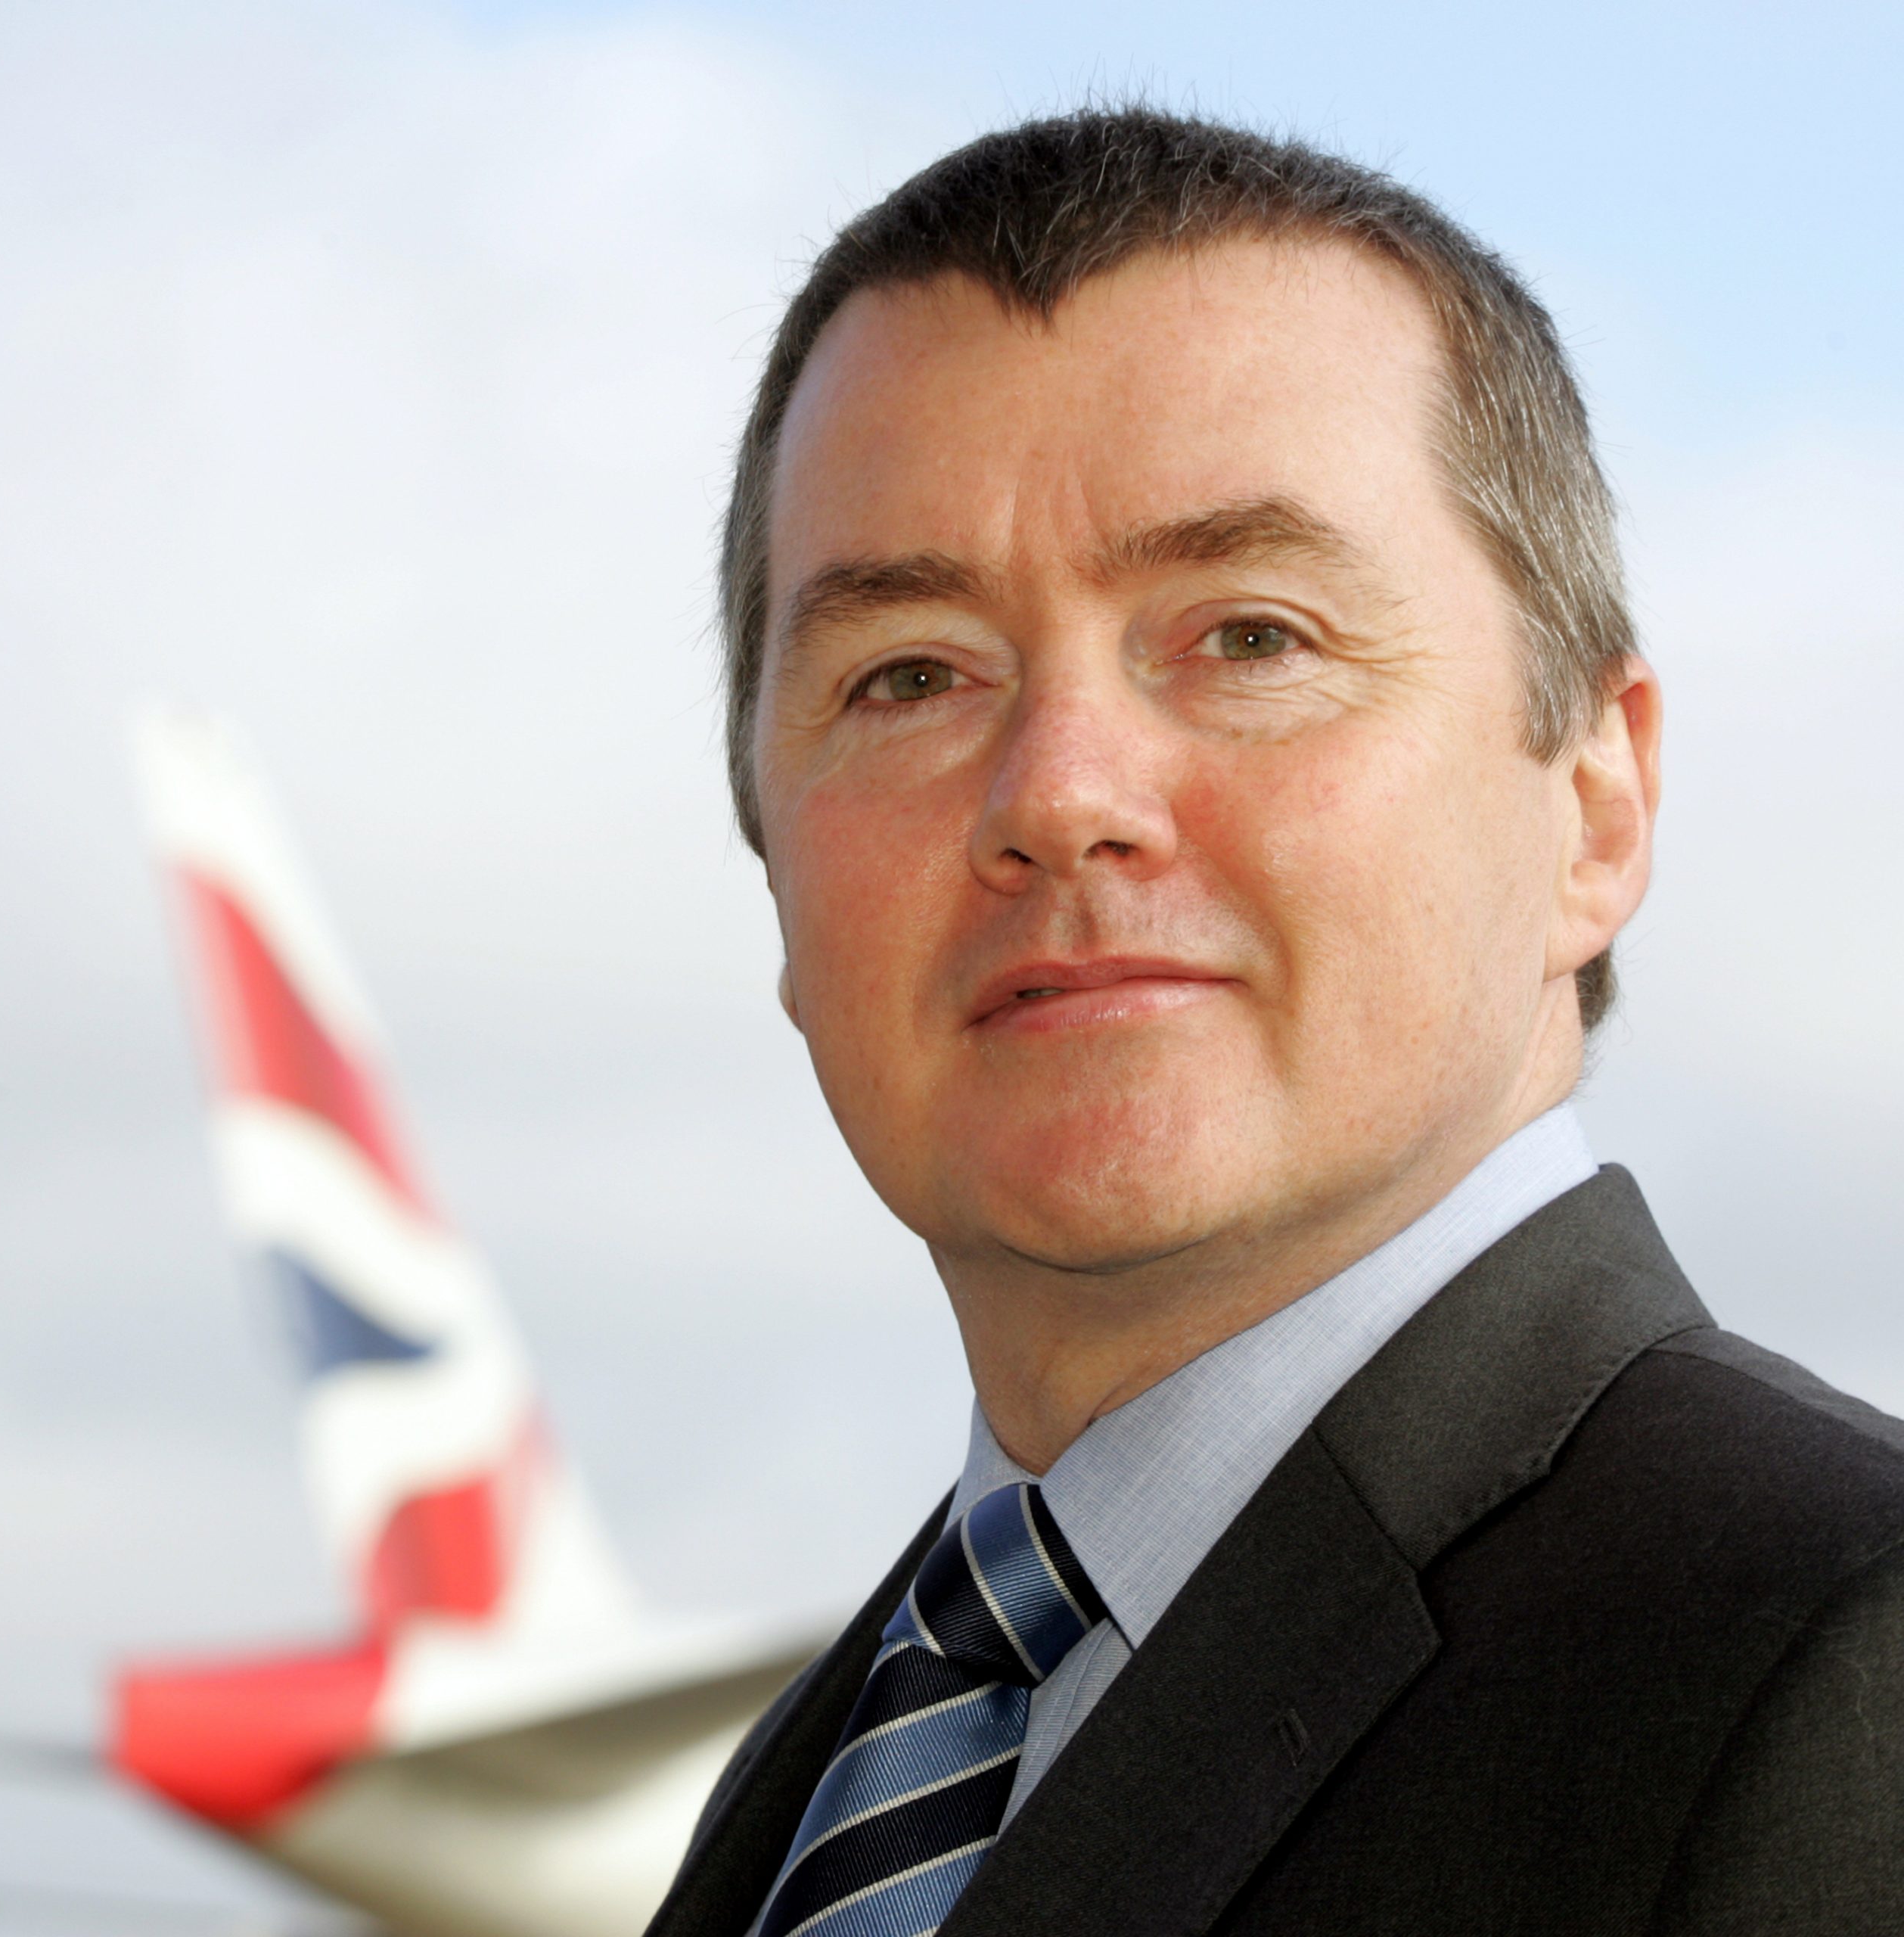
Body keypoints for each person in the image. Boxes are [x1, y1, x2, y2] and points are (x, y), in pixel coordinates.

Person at [645, 109, 1904, 1936]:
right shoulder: (822, 1776)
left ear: (1591, 806)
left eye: (1248, 636)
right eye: (907, 675)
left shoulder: (1841, 1667)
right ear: (771, 861)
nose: (1058, 791)